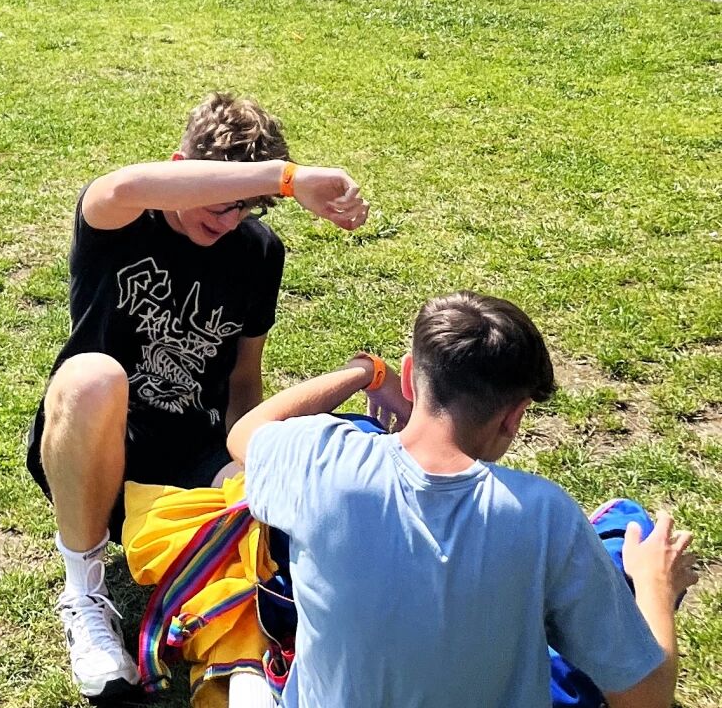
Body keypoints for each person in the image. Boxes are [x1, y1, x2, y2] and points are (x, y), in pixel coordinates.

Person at [24, 93, 369, 697]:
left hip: (193, 456)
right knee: (93, 375)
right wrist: (288, 180)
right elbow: (125, 184)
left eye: (248, 207)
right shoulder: (121, 218)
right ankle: (85, 596)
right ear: (181, 167)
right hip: (100, 449)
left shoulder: (258, 251)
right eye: (222, 199)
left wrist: (252, 471)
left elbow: (243, 379)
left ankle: (255, 672)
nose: (232, 218)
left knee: (284, 514)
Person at [232, 292, 699, 708]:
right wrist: (656, 585)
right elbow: (647, 699)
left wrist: (365, 372)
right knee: (628, 527)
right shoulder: (544, 515)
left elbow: (244, 433)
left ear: (410, 377)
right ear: (514, 417)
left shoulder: (321, 459)